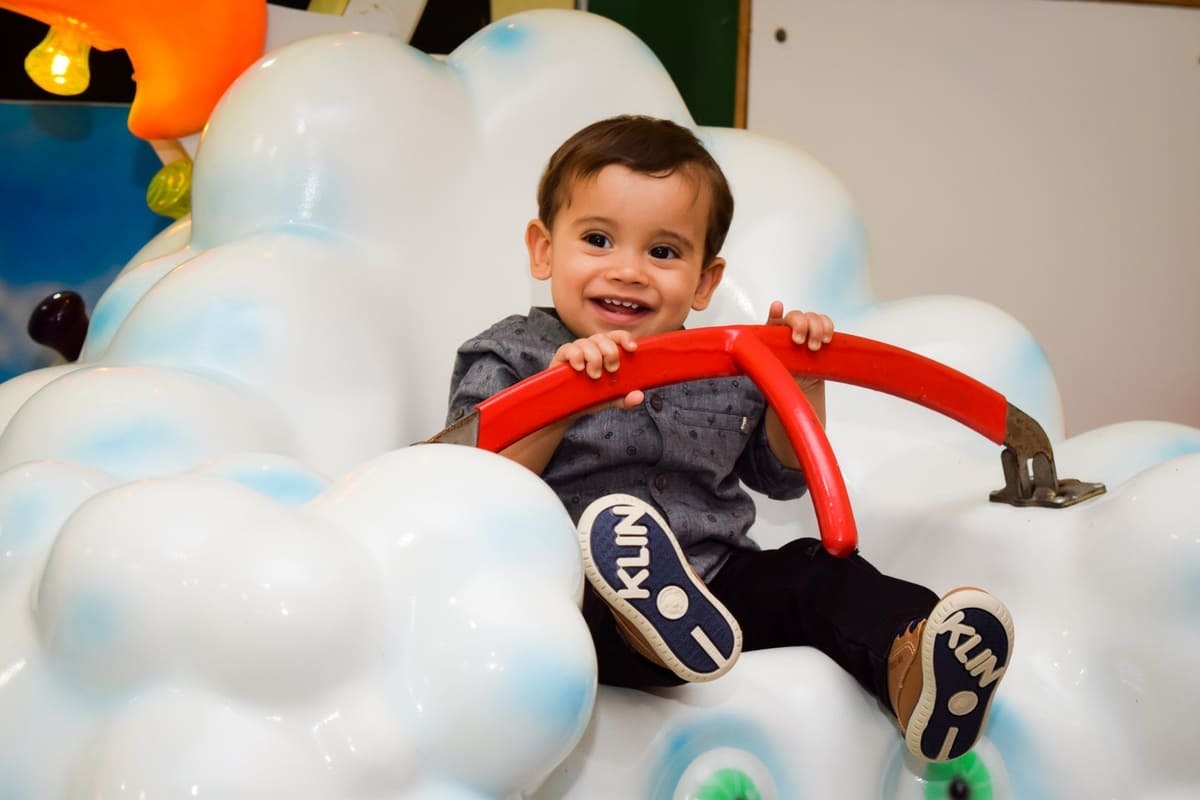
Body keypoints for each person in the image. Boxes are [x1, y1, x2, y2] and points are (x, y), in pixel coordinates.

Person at [445, 115, 1014, 764]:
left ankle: (914, 661)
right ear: (544, 250)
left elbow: (783, 476)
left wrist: (799, 382)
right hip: (574, 588)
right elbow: (468, 486)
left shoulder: (724, 364)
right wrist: (557, 399)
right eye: (598, 240)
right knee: (583, 615)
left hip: (717, 583)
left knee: (815, 571)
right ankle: (651, 621)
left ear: (704, 281)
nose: (629, 270)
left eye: (663, 252)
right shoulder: (511, 353)